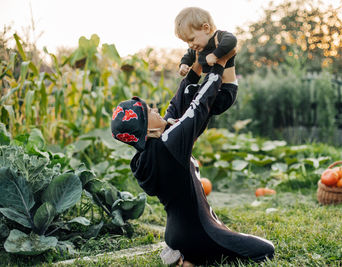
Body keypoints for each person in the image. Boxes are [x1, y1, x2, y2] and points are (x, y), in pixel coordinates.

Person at [111, 51, 274, 266]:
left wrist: (195, 70)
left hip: (176, 234)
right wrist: (218, 67)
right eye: (149, 110)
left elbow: (176, 106)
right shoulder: (168, 144)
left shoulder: (149, 152)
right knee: (265, 250)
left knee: (221, 240)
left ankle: (183, 258)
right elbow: (198, 107)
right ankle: (191, 259)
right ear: (146, 127)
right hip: (200, 233)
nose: (155, 108)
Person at [175, 7, 238, 116]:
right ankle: (187, 118)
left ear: (206, 28)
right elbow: (188, 55)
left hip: (226, 92)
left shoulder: (219, 37)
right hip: (211, 89)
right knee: (189, 91)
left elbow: (232, 40)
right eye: (187, 42)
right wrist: (183, 65)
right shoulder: (197, 48)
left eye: (191, 39)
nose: (190, 45)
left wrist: (215, 54)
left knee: (192, 93)